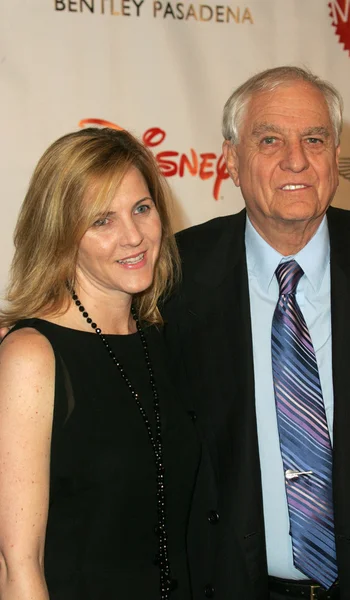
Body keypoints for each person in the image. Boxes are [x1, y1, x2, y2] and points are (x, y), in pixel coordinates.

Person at [162, 66, 350, 600]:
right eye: (269, 139)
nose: (296, 159)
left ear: (336, 153)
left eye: (314, 139)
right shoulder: (173, 277)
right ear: (231, 161)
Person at [0, 127, 200, 600]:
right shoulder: (32, 355)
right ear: (61, 233)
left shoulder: (160, 338)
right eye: (101, 221)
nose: (133, 237)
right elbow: (18, 567)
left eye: (142, 209)